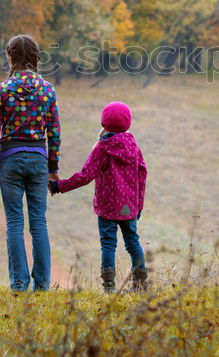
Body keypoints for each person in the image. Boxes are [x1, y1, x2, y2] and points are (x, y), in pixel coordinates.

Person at [0, 35, 61, 291]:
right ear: (36, 56)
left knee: (15, 222)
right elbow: (55, 132)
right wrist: (53, 169)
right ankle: (42, 285)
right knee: (39, 222)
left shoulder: (2, 90)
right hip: (38, 159)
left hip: (10, 159)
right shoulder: (47, 89)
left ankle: (18, 283)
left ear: (10, 56)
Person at [51, 101, 148, 293]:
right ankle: (140, 285)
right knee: (133, 243)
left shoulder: (102, 148)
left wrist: (59, 186)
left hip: (107, 207)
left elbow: (85, 176)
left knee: (108, 245)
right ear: (128, 123)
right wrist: (139, 206)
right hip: (129, 206)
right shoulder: (134, 147)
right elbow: (142, 175)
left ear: (103, 124)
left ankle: (109, 287)